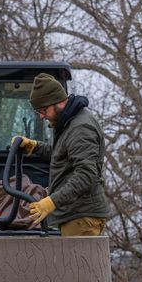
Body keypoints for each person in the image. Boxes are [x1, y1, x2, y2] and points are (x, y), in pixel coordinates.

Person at [15, 73, 110, 236]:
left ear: (58, 102)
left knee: (78, 263)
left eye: (44, 110)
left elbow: (86, 175)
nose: (41, 116)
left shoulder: (80, 128)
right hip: (76, 215)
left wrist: (52, 202)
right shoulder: (69, 123)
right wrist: (35, 147)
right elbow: (63, 155)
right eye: (39, 111)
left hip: (82, 217)